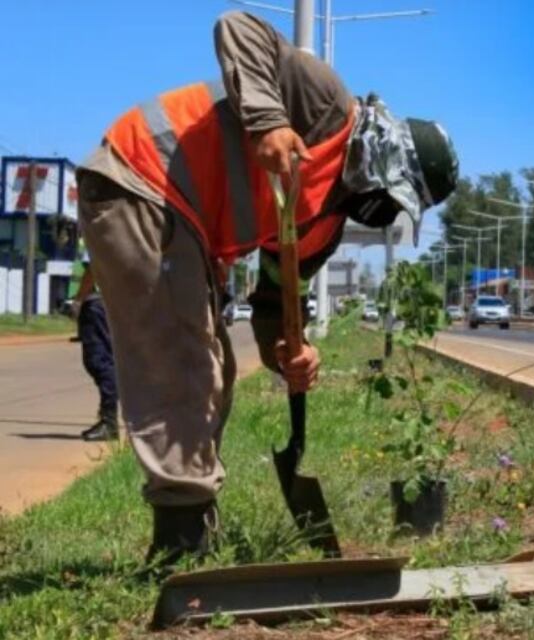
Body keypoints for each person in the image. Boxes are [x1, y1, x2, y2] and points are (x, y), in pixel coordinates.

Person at [77, 11, 457, 564]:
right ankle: (181, 543)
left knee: (217, 370)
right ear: (384, 157)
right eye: (392, 197)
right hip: (140, 177)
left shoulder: (324, 223)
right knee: (184, 364)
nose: (383, 213)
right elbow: (238, 25)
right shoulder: (326, 102)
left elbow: (277, 301)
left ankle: (192, 522)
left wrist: (287, 349)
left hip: (185, 221)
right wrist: (268, 121)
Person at [69, 241, 119, 442]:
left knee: (100, 361)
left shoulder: (95, 230)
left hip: (96, 303)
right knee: (101, 361)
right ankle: (107, 418)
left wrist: (79, 300)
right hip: (101, 302)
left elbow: (94, 268)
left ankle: (109, 422)